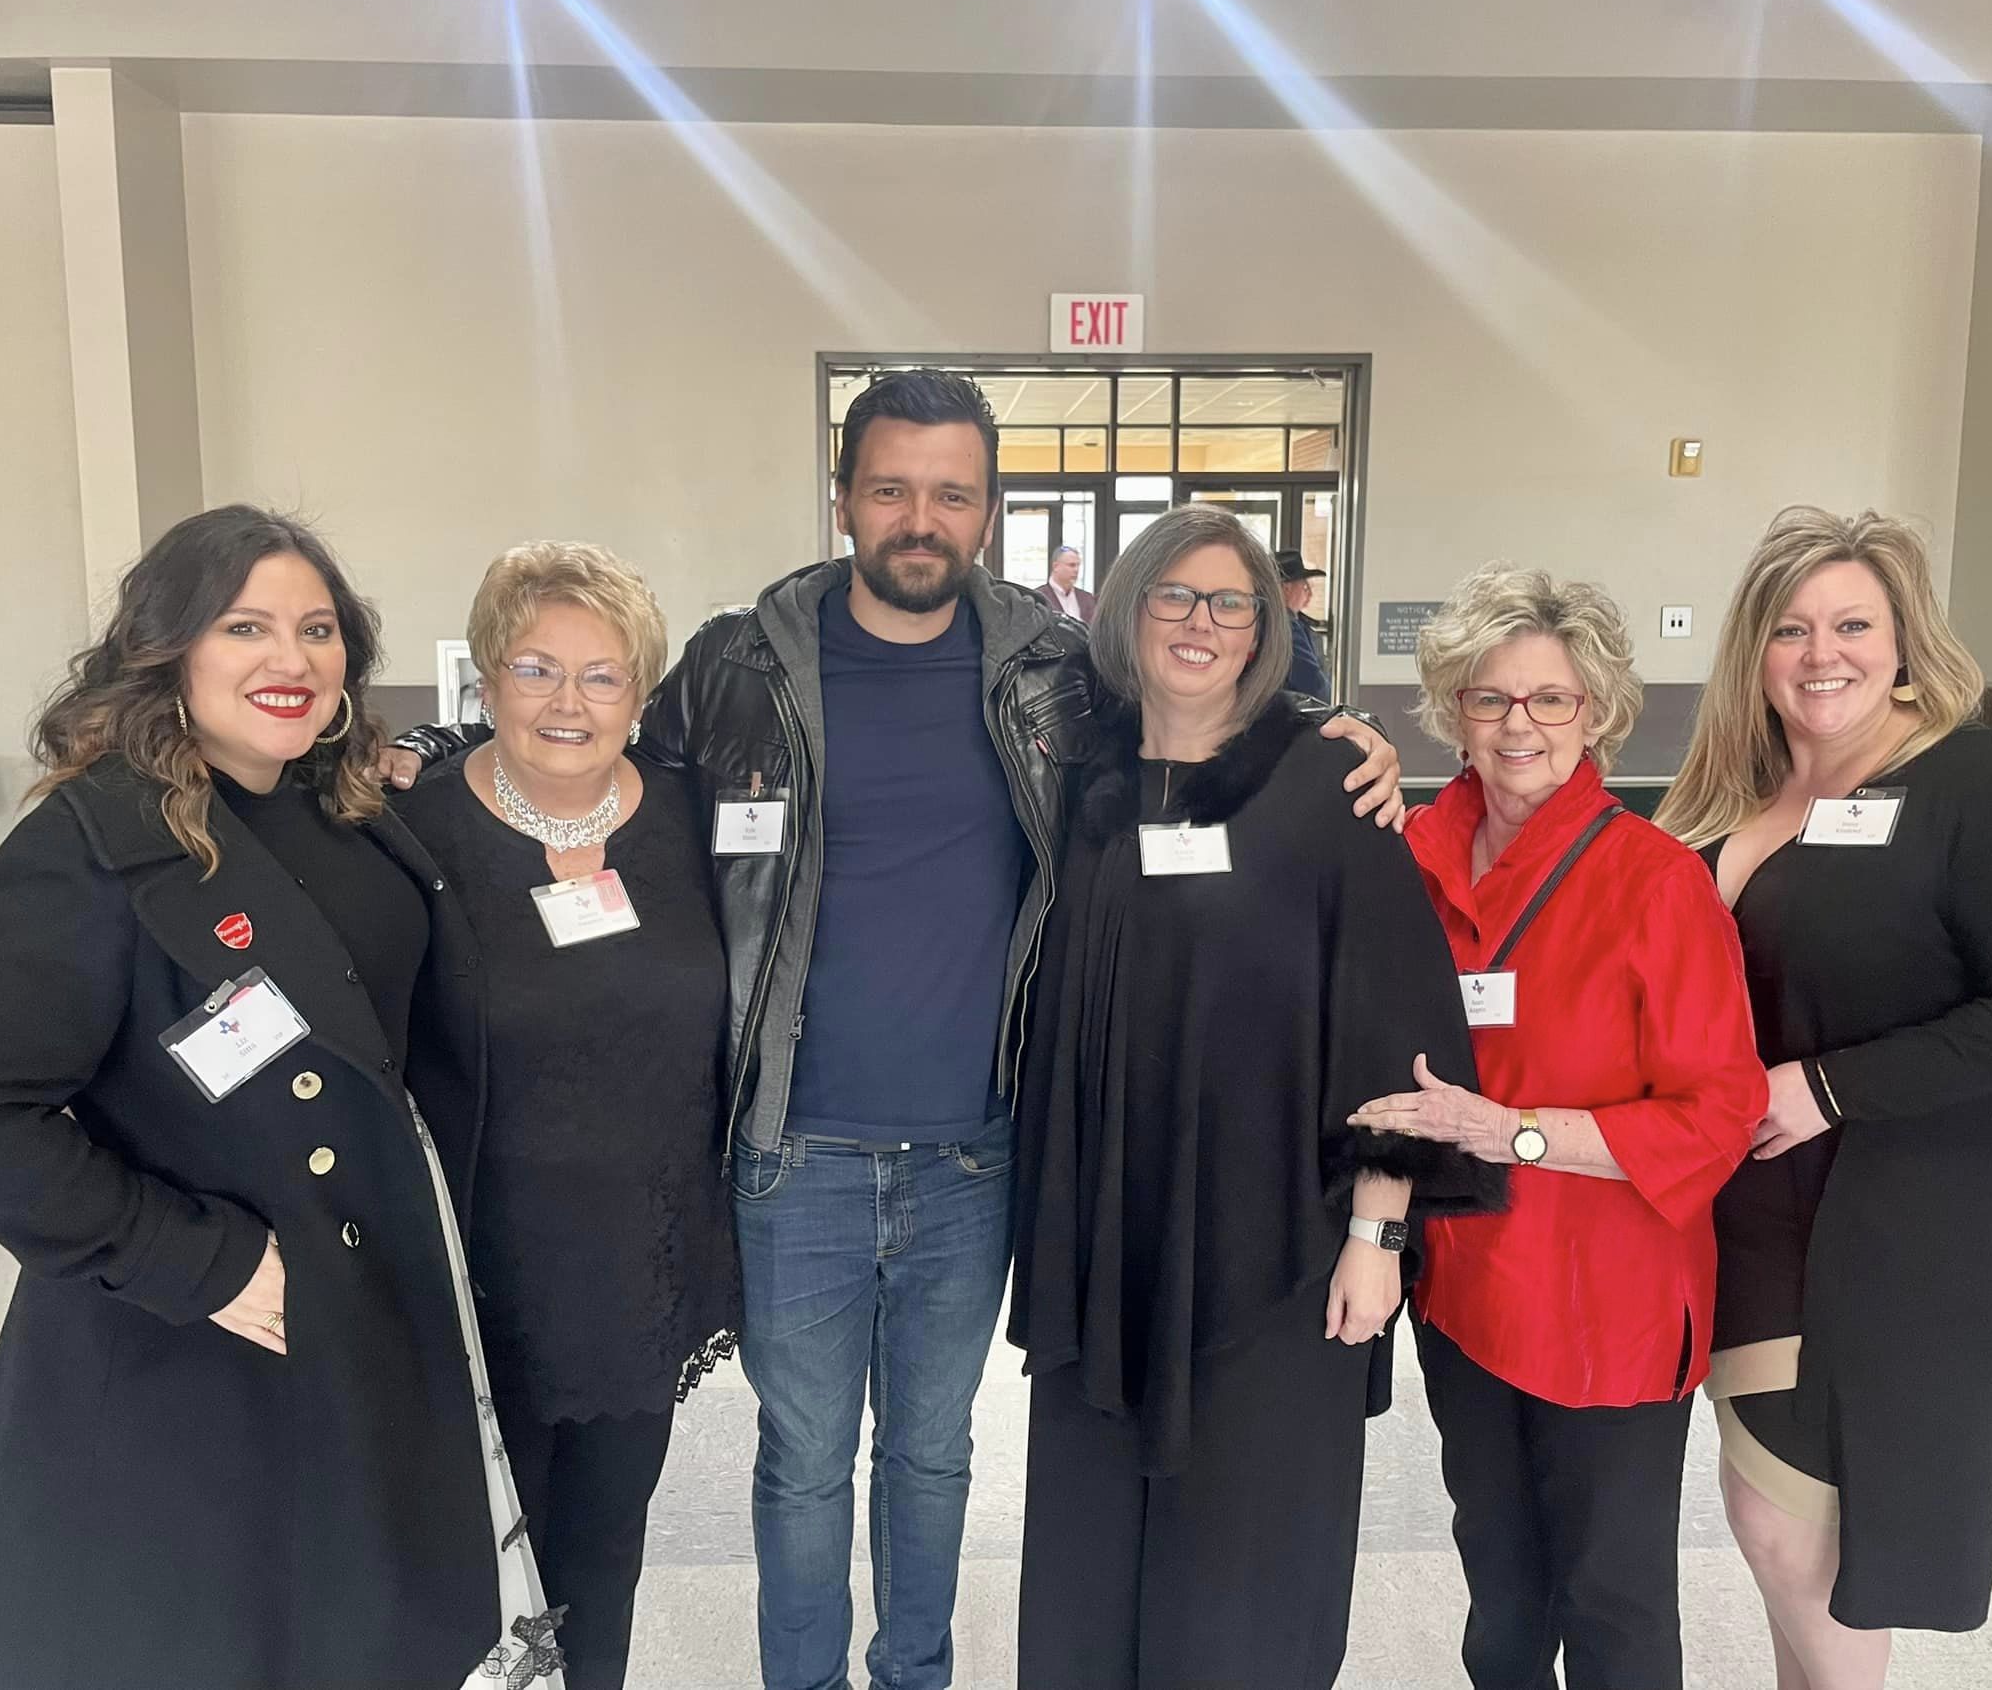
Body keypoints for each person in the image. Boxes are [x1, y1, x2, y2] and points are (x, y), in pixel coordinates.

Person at [384, 369, 1404, 1690]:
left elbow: (1191, 709)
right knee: (803, 1462)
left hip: (973, 1150)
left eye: (951, 493)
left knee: (932, 1456)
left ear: (987, 509)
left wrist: (1327, 733)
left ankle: (912, 1673)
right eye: (891, 488)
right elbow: (590, 733)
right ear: (845, 497)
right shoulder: (741, 662)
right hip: (791, 1149)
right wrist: (433, 741)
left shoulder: (1049, 670)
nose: (920, 518)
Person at [0, 506, 561, 1690]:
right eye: (245, 627)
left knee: (364, 1614)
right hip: (196, 1336)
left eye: (317, 629)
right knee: (230, 1634)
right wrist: (196, 1259)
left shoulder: (341, 807)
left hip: (371, 1290)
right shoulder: (87, 842)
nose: (289, 659)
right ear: (167, 645)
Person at [1007, 504, 1504, 1690]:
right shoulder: (1080, 773)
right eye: (1173, 594)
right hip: (1106, 1225)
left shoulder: (1326, 778)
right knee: (1089, 1556)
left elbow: (1389, 1019)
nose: (1201, 621)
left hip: (1273, 1232)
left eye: (1230, 601)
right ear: (1127, 610)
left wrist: (1379, 1232)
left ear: (1264, 625)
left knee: (1244, 1556)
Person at [1350, 565, 1766, 1690]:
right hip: (1465, 1284)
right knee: (1499, 1584)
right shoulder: (1413, 858)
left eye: (1549, 698)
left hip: (1607, 1295)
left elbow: (1718, 1112)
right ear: (1454, 712)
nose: (1517, 724)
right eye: (1489, 697)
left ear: (1596, 713)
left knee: (1611, 1596)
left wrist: (1515, 1132)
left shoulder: (1654, 881)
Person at [1656, 507, 1992, 1689]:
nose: (1822, 653)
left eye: (1852, 625)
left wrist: (1826, 1085)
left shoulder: (1974, 782)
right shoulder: (1729, 790)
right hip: (1742, 1207)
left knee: (1791, 1524)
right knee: (1772, 1514)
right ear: (1753, 650)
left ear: (1902, 638)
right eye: (1790, 628)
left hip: (1892, 1215)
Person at [392, 541, 739, 1690]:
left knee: (603, 1554)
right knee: (483, 1570)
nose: (566, 703)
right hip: (480, 1265)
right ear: (487, 676)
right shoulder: (412, 828)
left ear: (640, 695)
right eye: (535, 668)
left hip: (641, 1265)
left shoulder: (690, 815)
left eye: (601, 675)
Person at [1277, 547, 1332, 702]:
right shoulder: (1286, 627)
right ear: (1286, 589)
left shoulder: (1281, 622)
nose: (1309, 594)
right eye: (1305, 587)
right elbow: (1313, 684)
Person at [1034, 544, 1097, 622]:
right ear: (1055, 566)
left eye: (1078, 565)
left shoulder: (1087, 598)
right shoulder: (1039, 598)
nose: (1076, 570)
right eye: (1072, 565)